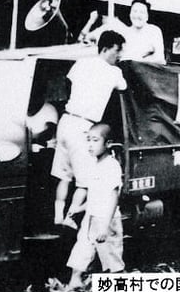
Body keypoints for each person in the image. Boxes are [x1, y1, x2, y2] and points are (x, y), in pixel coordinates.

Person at [51, 31, 127, 227]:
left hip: (65, 121)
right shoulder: (114, 72)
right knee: (84, 181)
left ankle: (58, 215)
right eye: (118, 50)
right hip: (83, 126)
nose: (119, 55)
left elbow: (70, 79)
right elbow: (123, 87)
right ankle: (70, 217)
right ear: (105, 49)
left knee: (63, 175)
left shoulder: (81, 63)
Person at [65, 123, 124, 290]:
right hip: (91, 216)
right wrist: (79, 208)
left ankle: (118, 283)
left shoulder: (111, 166)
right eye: (88, 140)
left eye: (95, 140)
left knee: (111, 254)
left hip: (107, 218)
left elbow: (113, 197)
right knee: (82, 248)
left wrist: (105, 225)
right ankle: (74, 281)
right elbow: (95, 196)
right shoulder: (93, 165)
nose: (90, 145)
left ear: (108, 144)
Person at [79, 0, 166, 64]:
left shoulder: (154, 31)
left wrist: (136, 59)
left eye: (142, 12)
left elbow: (160, 59)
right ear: (130, 14)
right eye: (135, 11)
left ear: (147, 16)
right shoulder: (124, 33)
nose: (137, 15)